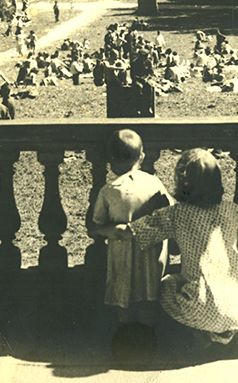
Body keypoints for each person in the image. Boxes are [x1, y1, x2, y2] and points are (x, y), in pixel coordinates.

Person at [108, 148, 238, 347]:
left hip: (199, 303)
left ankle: (200, 335)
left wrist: (99, 229)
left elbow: (134, 232)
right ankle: (225, 333)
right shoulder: (233, 209)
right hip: (237, 303)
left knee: (165, 286)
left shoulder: (177, 214)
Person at [90, 130, 172, 327]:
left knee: (122, 299)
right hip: (151, 257)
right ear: (141, 157)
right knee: (148, 300)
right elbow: (169, 209)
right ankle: (146, 334)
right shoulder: (154, 182)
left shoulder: (108, 191)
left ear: (110, 161)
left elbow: (97, 223)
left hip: (122, 257)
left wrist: (101, 230)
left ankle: (125, 333)